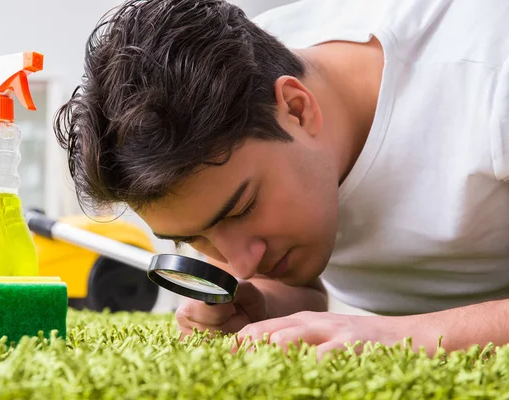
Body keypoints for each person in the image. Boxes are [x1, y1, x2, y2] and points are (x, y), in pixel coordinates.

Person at [53, 0, 509, 357]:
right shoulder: (239, 78)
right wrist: (263, 305)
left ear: (296, 108)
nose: (241, 264)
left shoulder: (487, 71)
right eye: (195, 237)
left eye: (242, 208)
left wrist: (411, 334)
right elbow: (300, 287)